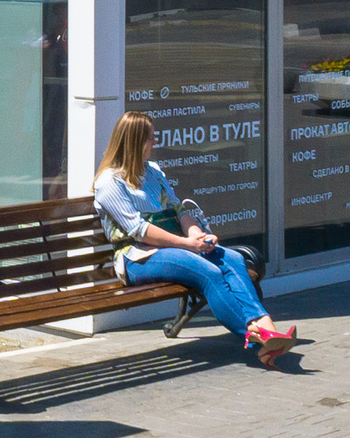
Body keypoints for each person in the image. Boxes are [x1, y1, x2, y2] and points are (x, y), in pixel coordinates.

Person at [92, 111, 297, 364]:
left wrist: (196, 234)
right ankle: (258, 340)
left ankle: (269, 329)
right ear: (133, 142)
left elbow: (179, 209)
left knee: (230, 258)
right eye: (150, 138)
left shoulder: (153, 171)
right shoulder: (109, 183)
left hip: (173, 247)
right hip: (136, 256)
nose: (155, 143)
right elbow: (138, 230)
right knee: (207, 272)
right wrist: (187, 244)